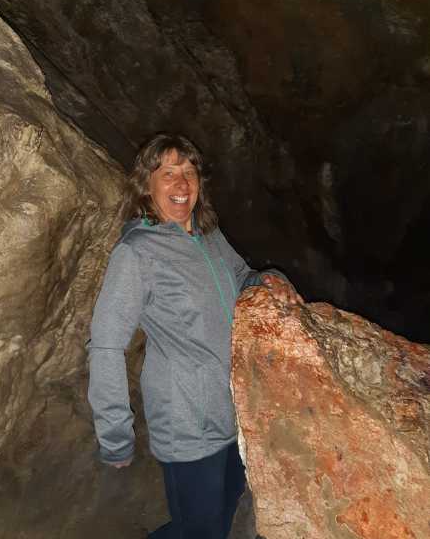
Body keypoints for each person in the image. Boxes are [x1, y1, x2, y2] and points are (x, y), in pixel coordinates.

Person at [87, 133, 302, 539]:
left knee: (225, 507)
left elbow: (242, 276)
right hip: (187, 421)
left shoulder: (208, 236)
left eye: (188, 172)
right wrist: (115, 434)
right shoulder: (137, 253)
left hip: (232, 409)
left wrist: (270, 278)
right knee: (201, 530)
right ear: (146, 186)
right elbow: (106, 346)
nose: (181, 183)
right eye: (168, 173)